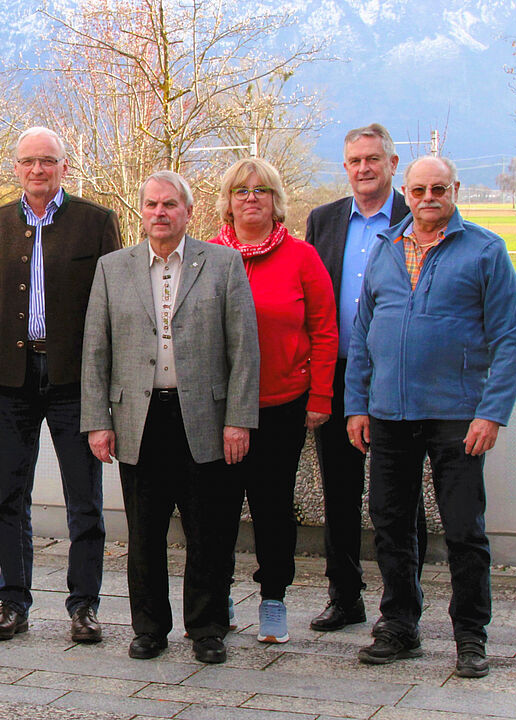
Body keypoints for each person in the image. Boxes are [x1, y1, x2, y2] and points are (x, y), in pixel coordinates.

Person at [346, 155, 516, 678]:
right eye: (419, 189)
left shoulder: (485, 250)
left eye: (439, 189)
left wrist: (491, 413)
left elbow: (510, 339)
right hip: (389, 413)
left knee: (465, 530)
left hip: (458, 416)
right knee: (390, 524)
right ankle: (399, 626)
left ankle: (471, 636)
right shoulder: (386, 248)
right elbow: (362, 334)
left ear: (455, 190)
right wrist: (357, 404)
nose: (429, 198)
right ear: (406, 191)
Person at [81, 170, 259, 664]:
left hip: (203, 415)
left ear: (188, 211)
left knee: (209, 531)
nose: (160, 213)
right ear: (142, 212)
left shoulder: (223, 264)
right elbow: (95, 350)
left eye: (170, 205)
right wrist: (99, 419)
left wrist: (238, 419)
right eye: (152, 205)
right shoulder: (113, 268)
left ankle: (206, 629)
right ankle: (150, 629)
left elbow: (244, 349)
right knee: (145, 533)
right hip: (139, 418)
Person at [0, 126, 120, 644]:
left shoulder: (97, 224)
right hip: (12, 379)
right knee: (11, 495)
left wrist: (106, 386)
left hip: (74, 381)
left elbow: (110, 312)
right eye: (29, 161)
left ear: (64, 167)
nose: (38, 170)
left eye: (47, 161)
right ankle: (12, 602)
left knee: (85, 498)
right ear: (16, 167)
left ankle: (84, 607)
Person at [305, 123, 428, 633]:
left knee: (402, 496)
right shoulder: (324, 220)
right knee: (339, 490)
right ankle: (344, 596)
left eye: (373, 159)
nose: (364, 168)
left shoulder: (415, 216)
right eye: (355, 160)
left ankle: (404, 604)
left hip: (397, 376)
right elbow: (314, 301)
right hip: (337, 375)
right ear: (346, 166)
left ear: (393, 165)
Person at [210, 158, 337, 644]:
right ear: (228, 200)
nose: (251, 198)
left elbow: (324, 331)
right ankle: (216, 596)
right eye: (241, 190)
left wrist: (320, 394)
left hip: (281, 403)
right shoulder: (207, 255)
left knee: (272, 507)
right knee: (217, 506)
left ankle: (273, 600)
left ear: (276, 199)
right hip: (219, 406)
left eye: (261, 190)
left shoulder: (302, 257)